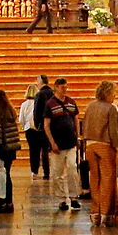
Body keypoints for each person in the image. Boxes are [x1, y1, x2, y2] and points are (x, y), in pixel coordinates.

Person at [79, 81, 118, 227]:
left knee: (94, 179)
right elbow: (114, 132)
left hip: (90, 145)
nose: (114, 95)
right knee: (107, 180)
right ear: (108, 93)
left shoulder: (90, 106)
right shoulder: (111, 108)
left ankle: (94, 212)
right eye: (113, 92)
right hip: (105, 145)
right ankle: (105, 213)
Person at [45, 79, 82, 211]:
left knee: (72, 168)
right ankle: (61, 199)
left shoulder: (71, 102)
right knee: (57, 172)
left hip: (71, 142)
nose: (65, 89)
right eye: (62, 87)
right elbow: (46, 125)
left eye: (66, 87)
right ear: (55, 87)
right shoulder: (50, 104)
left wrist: (77, 136)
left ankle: (73, 197)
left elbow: (76, 119)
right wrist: (52, 142)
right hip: (57, 145)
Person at [19, 85, 49, 179]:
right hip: (40, 129)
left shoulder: (24, 104)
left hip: (30, 130)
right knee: (44, 150)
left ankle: (34, 171)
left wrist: (24, 126)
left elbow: (21, 119)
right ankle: (46, 172)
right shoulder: (41, 102)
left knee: (33, 151)